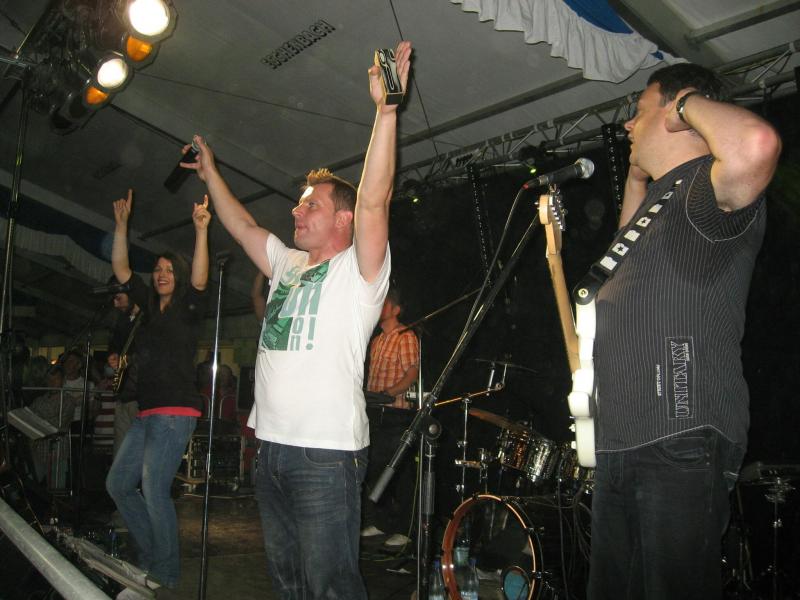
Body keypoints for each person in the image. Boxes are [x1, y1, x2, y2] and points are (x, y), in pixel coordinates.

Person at [186, 40, 412, 600]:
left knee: (331, 586)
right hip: (270, 448)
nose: (296, 209)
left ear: (342, 219)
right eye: (299, 202)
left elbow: (376, 200)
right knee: (288, 583)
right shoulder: (286, 264)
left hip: (325, 454)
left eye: (311, 204)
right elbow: (241, 226)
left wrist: (386, 111)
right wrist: (211, 174)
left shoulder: (359, 272)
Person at [587, 63, 781, 600]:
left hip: (678, 432)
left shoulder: (704, 190)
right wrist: (635, 178)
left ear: (677, 113)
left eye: (639, 111)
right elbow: (622, 256)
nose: (628, 125)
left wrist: (685, 102)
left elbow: (758, 144)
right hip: (621, 441)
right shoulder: (664, 201)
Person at [105, 189, 210, 593]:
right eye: (158, 269)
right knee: (118, 484)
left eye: (169, 269)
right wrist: (121, 225)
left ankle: (163, 571)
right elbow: (121, 268)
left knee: (153, 489)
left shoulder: (187, 307)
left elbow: (200, 279)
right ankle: (151, 555)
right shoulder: (147, 309)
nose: (162, 274)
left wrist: (201, 230)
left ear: (177, 276)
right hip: (147, 411)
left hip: (175, 411)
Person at [362, 286, 420, 548]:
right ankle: (381, 522)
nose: (380, 306)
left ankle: (406, 529)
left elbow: (411, 374)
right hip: (377, 412)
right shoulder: (377, 340)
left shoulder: (405, 336)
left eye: (385, 303)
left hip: (397, 413)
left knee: (400, 473)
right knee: (375, 468)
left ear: (396, 310)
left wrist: (388, 394)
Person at [106, 282, 141, 456]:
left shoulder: (149, 318)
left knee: (140, 453)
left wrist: (128, 360)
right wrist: (113, 356)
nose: (115, 303)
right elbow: (114, 346)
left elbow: (153, 354)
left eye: (118, 297)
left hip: (142, 398)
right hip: (123, 395)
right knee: (120, 456)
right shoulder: (122, 321)